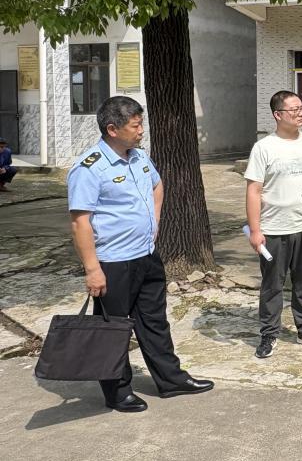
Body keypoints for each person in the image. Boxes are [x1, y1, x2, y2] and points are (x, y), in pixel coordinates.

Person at [67, 96, 213, 413]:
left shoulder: (139, 157)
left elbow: (157, 186)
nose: (141, 131)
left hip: (146, 256)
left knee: (155, 322)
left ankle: (171, 380)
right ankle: (117, 392)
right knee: (114, 328)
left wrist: (154, 222)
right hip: (113, 262)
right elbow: (80, 222)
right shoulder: (90, 167)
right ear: (112, 129)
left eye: (141, 123)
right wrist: (92, 269)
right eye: (135, 126)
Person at [245, 90, 302, 359]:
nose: (300, 113)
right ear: (277, 115)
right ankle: (269, 333)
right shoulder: (264, 148)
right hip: (274, 229)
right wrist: (255, 230)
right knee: (272, 285)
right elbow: (253, 191)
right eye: (294, 109)